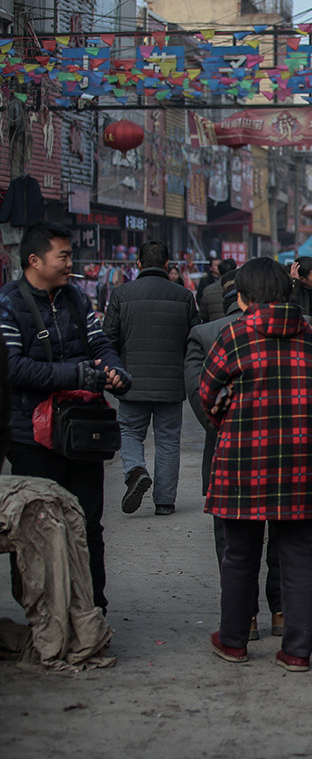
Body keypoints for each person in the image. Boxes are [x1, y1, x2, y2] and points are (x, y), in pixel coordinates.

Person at [200, 258, 312, 671]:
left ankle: (233, 641)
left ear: (243, 296)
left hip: (244, 459)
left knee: (240, 553)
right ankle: (297, 650)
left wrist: (227, 416)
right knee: (297, 554)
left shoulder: (234, 334)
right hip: (303, 460)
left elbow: (207, 395)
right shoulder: (310, 335)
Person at [1, 222, 132, 612]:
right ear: (35, 260)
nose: (70, 263)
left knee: (87, 525)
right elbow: (12, 368)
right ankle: (41, 612)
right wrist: (77, 374)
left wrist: (114, 373)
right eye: (63, 255)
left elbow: (100, 344)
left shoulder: (75, 298)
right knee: (36, 528)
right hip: (31, 439)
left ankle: (92, 609)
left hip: (81, 434)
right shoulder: (8, 304)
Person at [185, 273, 285, 641]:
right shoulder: (299, 331)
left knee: (232, 544)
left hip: (228, 454)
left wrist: (229, 428)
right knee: (284, 536)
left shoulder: (207, 334)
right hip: (284, 453)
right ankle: (281, 612)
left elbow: (201, 398)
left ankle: (244, 621)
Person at [104, 239, 201, 517]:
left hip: (131, 381)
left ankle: (135, 470)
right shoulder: (183, 296)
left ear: (138, 265)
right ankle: (165, 502)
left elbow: (108, 338)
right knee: (168, 441)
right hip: (171, 384)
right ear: (168, 265)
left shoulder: (121, 294)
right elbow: (194, 339)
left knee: (129, 432)